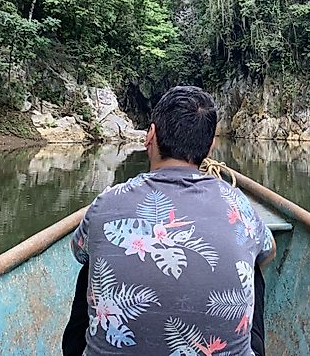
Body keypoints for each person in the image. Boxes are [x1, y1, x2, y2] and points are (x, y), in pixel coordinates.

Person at [62, 86, 276, 355]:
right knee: (252, 266)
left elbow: (78, 251)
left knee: (91, 264)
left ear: (150, 135)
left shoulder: (107, 203)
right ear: (209, 147)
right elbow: (269, 252)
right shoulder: (238, 204)